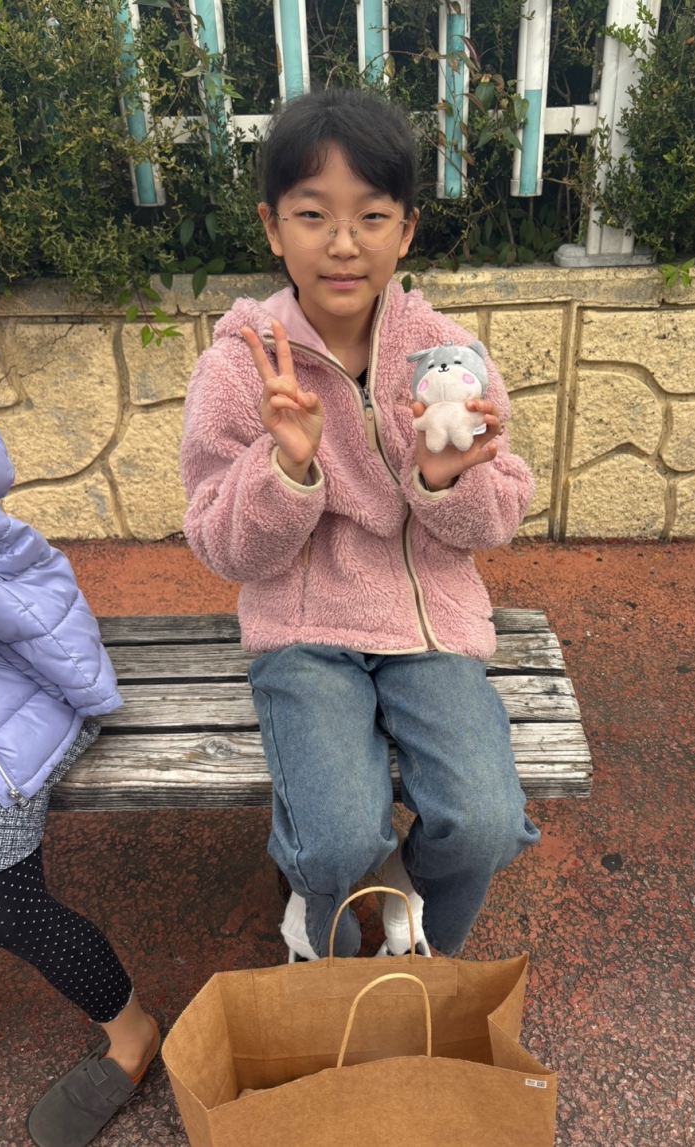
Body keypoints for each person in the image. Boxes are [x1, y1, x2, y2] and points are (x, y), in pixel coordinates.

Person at [180, 87, 540, 964]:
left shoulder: (446, 356)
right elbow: (219, 541)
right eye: (313, 215)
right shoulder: (239, 368)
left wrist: (445, 478)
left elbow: (497, 515)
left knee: (485, 822)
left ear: (405, 230)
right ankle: (326, 945)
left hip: (429, 628)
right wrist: (288, 469)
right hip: (304, 633)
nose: (343, 243)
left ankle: (417, 950)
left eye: (371, 216)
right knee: (335, 842)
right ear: (273, 226)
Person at [0, 409, 159, 1147]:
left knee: (10, 908)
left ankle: (133, 1034)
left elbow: (64, 643)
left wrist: (87, 697)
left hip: (9, 721)